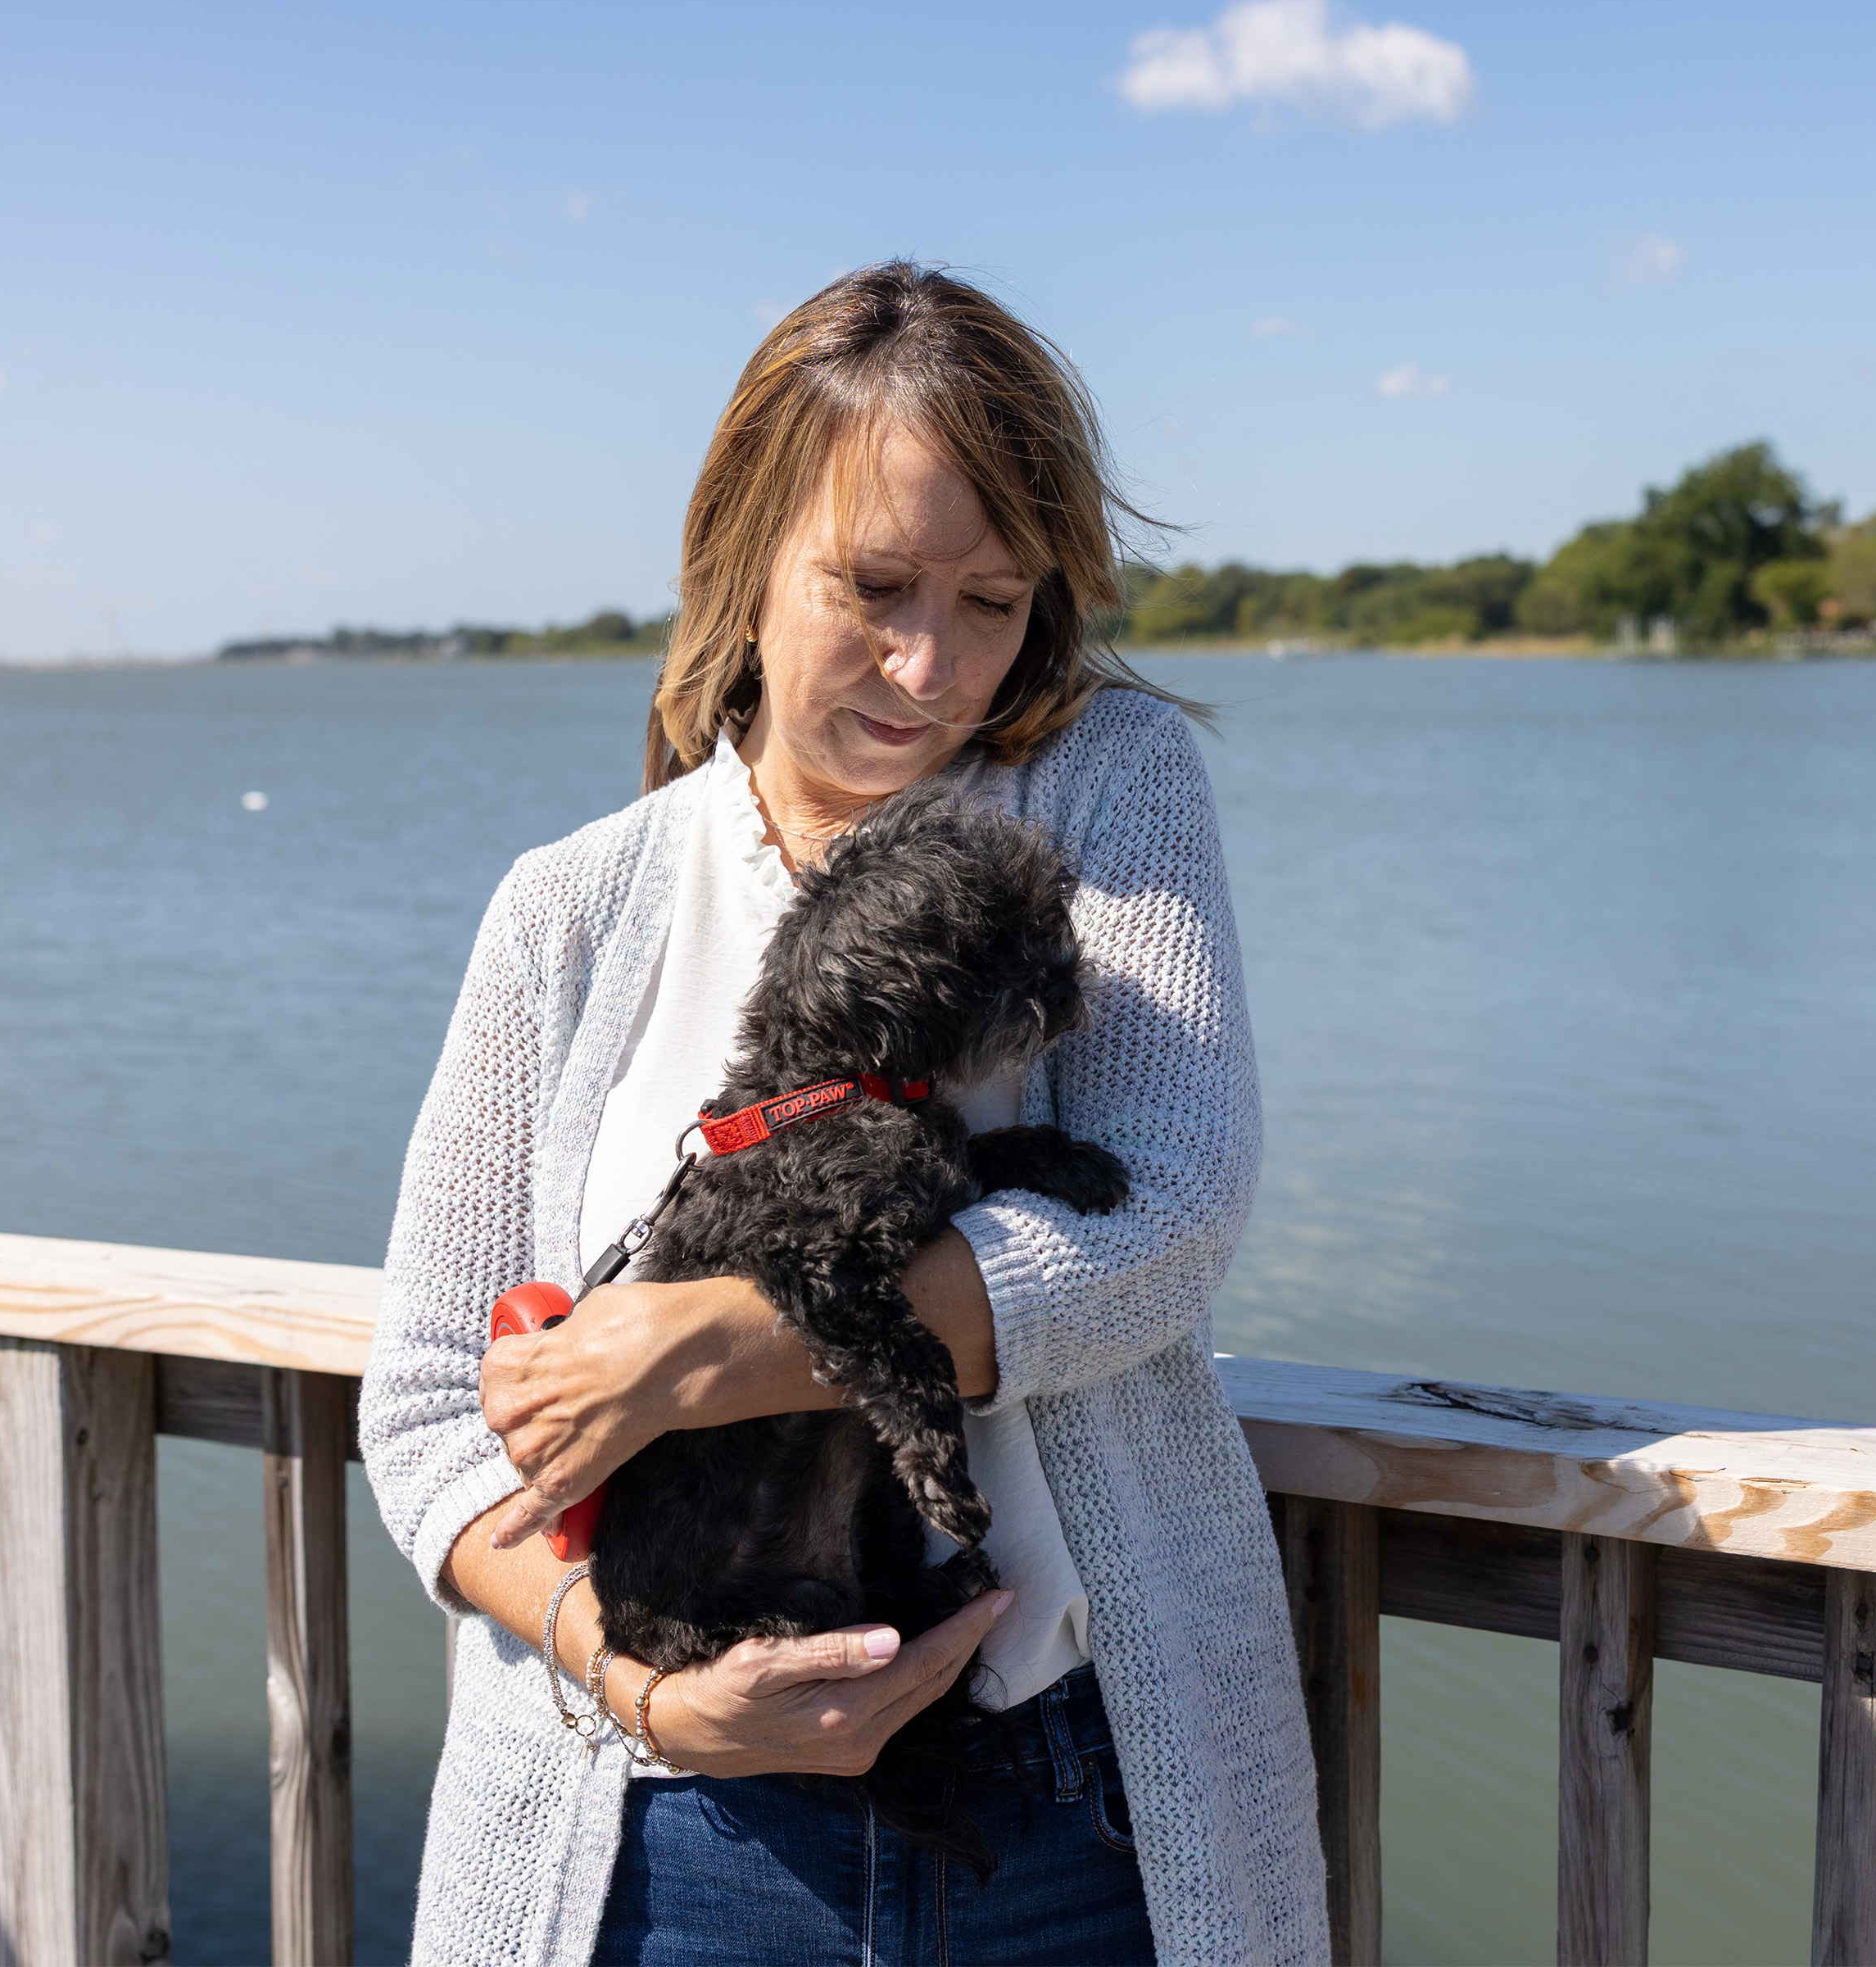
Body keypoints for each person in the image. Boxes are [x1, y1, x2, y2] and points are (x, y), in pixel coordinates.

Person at [360, 263, 1326, 1967]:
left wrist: (711, 1347)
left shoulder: (1104, 782)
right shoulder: (571, 910)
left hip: (1082, 1808)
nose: (929, 663)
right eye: (874, 585)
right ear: (738, 557)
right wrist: (639, 1680)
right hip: (664, 1828)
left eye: (992, 598)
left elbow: (1165, 1221)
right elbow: (429, 1401)